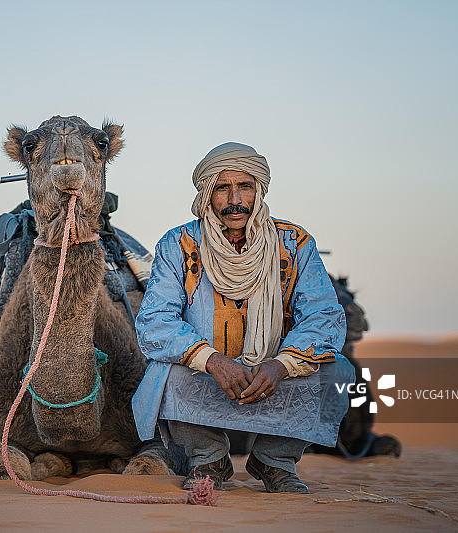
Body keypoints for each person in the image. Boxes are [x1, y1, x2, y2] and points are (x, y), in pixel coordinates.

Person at [132, 142, 354, 493]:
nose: (235, 199)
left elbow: (324, 316)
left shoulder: (295, 243)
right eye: (222, 187)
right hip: (207, 372)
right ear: (207, 193)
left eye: (245, 186)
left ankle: (274, 462)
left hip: (274, 374)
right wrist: (212, 361)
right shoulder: (178, 245)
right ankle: (209, 459)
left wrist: (281, 364)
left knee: (338, 371)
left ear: (259, 190)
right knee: (162, 373)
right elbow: (155, 320)